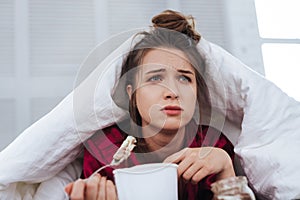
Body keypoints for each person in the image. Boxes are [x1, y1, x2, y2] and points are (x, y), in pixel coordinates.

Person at [65, 10, 235, 200]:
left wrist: (226, 169)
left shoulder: (214, 145)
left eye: (184, 78)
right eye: (155, 78)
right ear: (132, 93)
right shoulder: (104, 148)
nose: (172, 92)